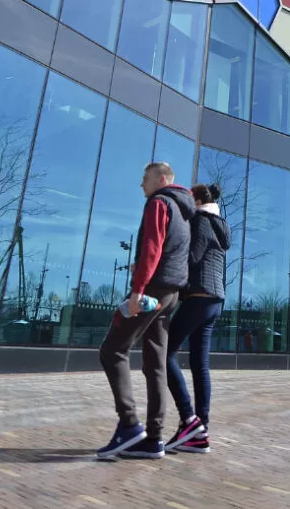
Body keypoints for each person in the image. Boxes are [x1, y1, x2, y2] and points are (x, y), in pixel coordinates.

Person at [96, 162, 195, 460]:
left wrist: (138, 289)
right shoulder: (185, 213)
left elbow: (153, 245)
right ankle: (153, 438)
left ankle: (129, 425)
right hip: (171, 293)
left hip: (151, 290)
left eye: (145, 179)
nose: (142, 185)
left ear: (161, 179)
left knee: (113, 350)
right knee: (155, 361)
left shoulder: (160, 202)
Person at [165, 182, 231, 455]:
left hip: (199, 297)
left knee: (163, 354)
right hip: (215, 300)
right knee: (199, 364)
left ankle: (189, 420)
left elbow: (191, 258)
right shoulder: (219, 224)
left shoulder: (201, 222)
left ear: (196, 200)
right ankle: (200, 430)